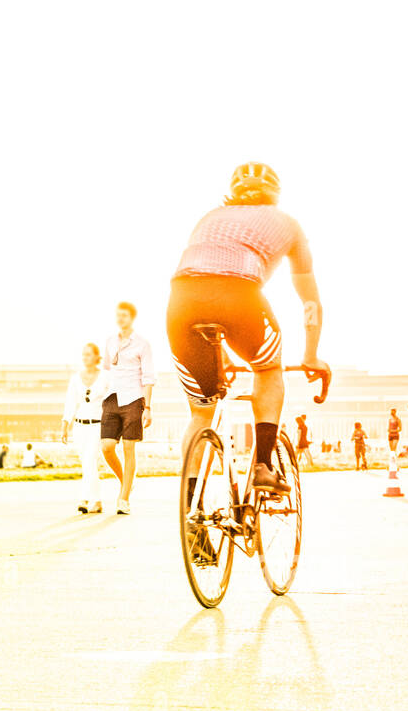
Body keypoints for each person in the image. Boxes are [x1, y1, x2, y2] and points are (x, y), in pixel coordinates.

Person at [166, 162, 328, 498]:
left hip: (181, 303)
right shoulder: (289, 224)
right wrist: (311, 355)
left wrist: (218, 352)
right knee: (268, 370)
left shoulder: (209, 217)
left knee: (200, 413)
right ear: (275, 194)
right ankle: (263, 467)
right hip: (240, 298)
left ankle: (191, 510)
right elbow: (310, 300)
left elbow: (203, 284)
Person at [101, 301, 155, 515]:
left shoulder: (142, 344)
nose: (120, 319)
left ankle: (123, 499)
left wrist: (148, 407)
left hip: (133, 398)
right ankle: (126, 482)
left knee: (128, 449)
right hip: (112, 397)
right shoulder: (109, 341)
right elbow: (106, 370)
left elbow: (149, 377)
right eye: (118, 315)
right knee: (106, 446)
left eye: (124, 315)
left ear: (132, 318)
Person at [61, 343, 111, 514]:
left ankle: (84, 498)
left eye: (89, 354)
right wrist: (65, 424)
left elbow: (112, 401)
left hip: (97, 425)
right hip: (79, 426)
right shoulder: (76, 378)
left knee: (90, 460)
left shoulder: (106, 377)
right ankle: (96, 501)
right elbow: (70, 402)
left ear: (97, 357)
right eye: (83, 355)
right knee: (87, 463)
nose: (85, 358)